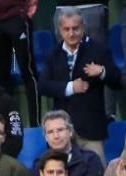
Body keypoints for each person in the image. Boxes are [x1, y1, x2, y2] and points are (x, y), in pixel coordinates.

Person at [40, 8, 120, 162]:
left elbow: (117, 80)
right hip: (61, 130)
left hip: (91, 129)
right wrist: (70, 87)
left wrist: (102, 72)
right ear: (60, 31)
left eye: (75, 28)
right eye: (66, 29)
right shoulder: (53, 54)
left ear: (83, 28)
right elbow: (43, 86)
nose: (71, 33)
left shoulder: (99, 50)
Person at [0, 0, 39, 127]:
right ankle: (7, 127)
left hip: (17, 14)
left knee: (28, 72)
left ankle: (36, 125)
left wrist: (28, 10)